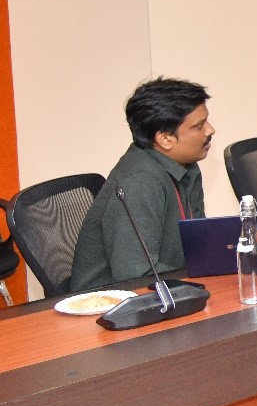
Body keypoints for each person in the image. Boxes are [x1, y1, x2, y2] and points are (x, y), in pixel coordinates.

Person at [70, 79, 213, 291]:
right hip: (112, 307)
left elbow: (197, 246)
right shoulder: (139, 181)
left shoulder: (185, 167)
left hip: (173, 287)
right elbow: (137, 276)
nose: (210, 130)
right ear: (165, 139)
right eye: (198, 126)